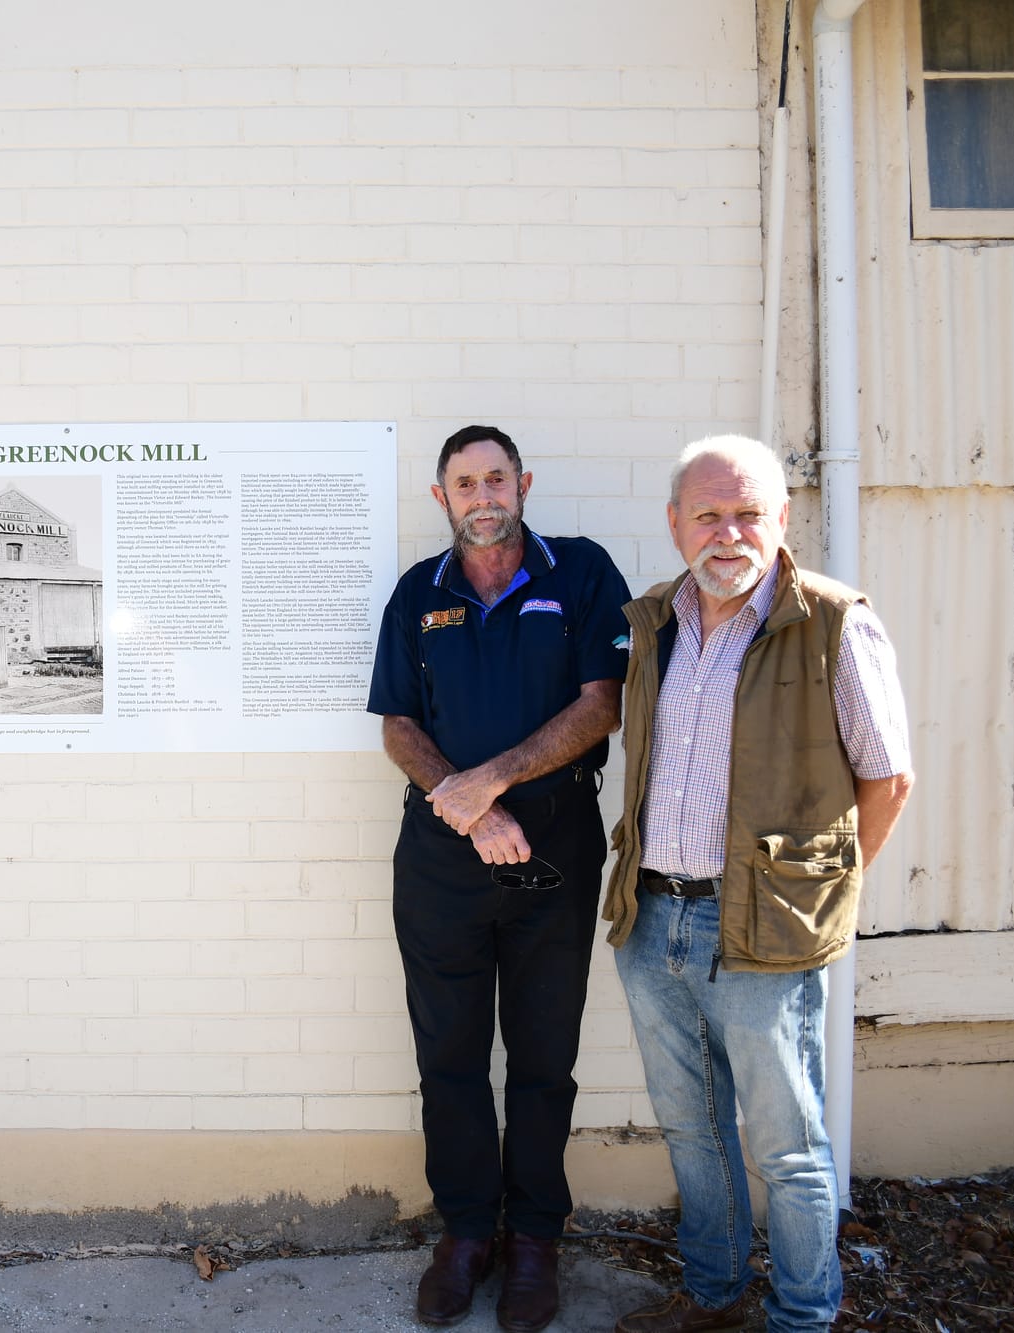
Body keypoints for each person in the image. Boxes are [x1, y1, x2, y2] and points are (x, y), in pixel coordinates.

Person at [605, 436, 913, 1333]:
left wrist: (823, 893)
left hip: (766, 931)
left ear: (782, 519)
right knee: (695, 1134)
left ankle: (803, 1316)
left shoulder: (829, 620)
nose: (728, 532)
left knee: (789, 1147)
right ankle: (711, 1295)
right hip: (653, 913)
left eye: (749, 513)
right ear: (675, 524)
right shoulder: (655, 618)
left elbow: (887, 778)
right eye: (708, 513)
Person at [367, 425, 631, 1332]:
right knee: (449, 1054)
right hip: (443, 858)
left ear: (524, 482)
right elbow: (397, 724)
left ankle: (535, 1241)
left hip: (552, 850)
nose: (483, 495)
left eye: (496, 478)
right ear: (441, 497)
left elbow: (601, 706)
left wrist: (496, 781)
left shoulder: (582, 573)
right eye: (464, 483)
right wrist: (466, 802)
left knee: (544, 1054)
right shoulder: (418, 592)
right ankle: (468, 1233)